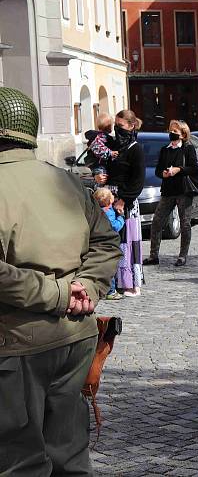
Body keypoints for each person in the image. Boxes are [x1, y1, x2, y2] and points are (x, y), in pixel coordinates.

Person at [0, 86, 122, 476]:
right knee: (70, 458)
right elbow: (107, 243)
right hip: (76, 337)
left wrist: (60, 294)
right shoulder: (68, 181)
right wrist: (85, 287)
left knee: (20, 462)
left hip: (17, 343)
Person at [97, 110, 145, 297]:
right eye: (115, 126)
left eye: (121, 126)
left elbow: (138, 181)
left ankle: (130, 283)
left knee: (127, 241)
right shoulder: (113, 146)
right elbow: (100, 162)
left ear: (131, 126)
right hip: (109, 197)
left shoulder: (135, 149)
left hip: (126, 201)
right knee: (111, 241)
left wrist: (124, 200)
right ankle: (112, 283)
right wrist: (98, 174)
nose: (117, 130)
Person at [143, 120, 198, 267]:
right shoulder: (165, 150)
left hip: (183, 191)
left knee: (185, 223)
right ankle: (153, 255)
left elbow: (194, 169)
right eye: (170, 131)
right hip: (168, 190)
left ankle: (182, 256)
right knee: (157, 222)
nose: (172, 134)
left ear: (183, 134)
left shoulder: (188, 149)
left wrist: (178, 169)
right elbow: (157, 170)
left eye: (175, 132)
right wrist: (163, 173)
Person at [94, 187, 126, 300]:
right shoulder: (109, 213)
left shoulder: (96, 211)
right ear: (109, 201)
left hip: (97, 244)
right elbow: (115, 227)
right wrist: (121, 217)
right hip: (109, 244)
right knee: (110, 267)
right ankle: (111, 291)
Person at [85, 112, 118, 185]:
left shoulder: (105, 137)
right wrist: (111, 153)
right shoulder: (99, 137)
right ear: (109, 126)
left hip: (101, 165)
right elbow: (99, 150)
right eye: (112, 125)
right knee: (101, 182)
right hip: (98, 165)